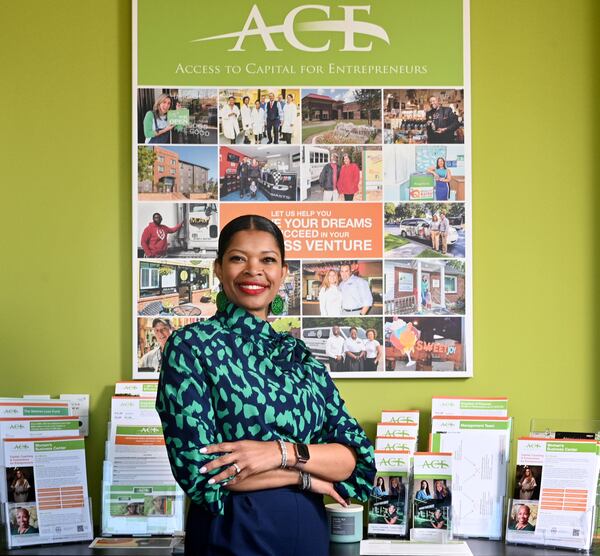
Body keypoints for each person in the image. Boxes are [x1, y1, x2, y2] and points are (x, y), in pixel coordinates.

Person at [156, 214, 376, 556]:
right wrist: (304, 476)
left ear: (283, 272)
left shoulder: (297, 355)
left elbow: (351, 458)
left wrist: (276, 453)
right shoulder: (190, 346)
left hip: (308, 538)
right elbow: (204, 475)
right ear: (218, 268)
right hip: (231, 537)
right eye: (238, 258)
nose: (253, 270)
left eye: (268, 260)